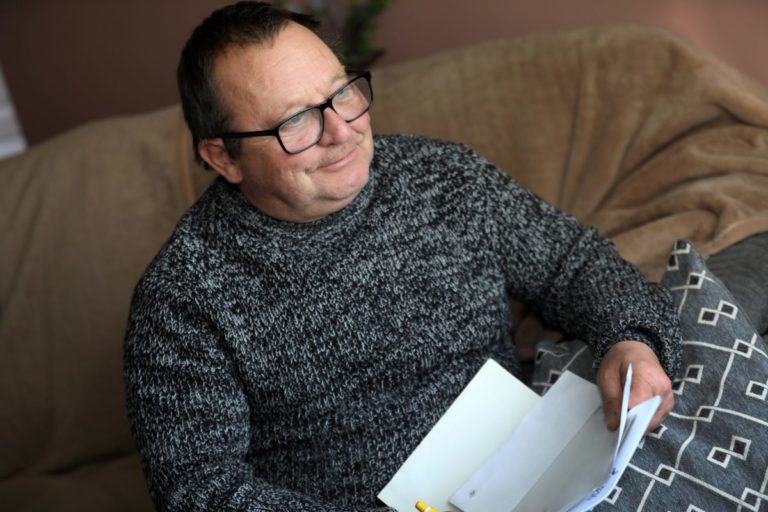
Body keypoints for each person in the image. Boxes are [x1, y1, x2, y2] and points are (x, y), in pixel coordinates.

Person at [123, 2, 682, 511]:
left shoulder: (443, 177)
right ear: (224, 157)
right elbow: (198, 490)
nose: (342, 130)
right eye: (296, 120)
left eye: (342, 92)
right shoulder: (182, 297)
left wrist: (632, 340)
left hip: (536, 476)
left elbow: (574, 263)